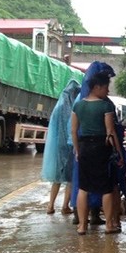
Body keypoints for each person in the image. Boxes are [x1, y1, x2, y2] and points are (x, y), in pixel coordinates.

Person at [71, 71, 124, 235]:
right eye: (106, 87)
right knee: (106, 189)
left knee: (83, 188)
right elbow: (110, 131)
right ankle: (109, 225)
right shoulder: (105, 106)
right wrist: (119, 152)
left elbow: (74, 130)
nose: (107, 91)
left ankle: (81, 226)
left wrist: (77, 150)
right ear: (97, 87)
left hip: (84, 147)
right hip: (102, 148)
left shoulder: (78, 105)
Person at [41, 79, 80, 215]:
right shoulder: (73, 108)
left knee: (57, 178)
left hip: (57, 147)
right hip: (69, 146)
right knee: (70, 178)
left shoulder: (58, 108)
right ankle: (65, 206)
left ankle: (50, 206)